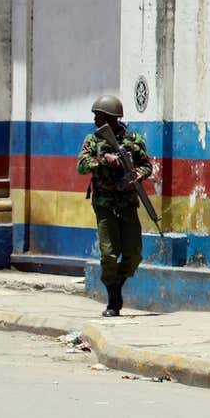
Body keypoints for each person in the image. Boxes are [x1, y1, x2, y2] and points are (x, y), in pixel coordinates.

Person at [76, 94, 154, 317]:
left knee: (134, 254)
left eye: (98, 115)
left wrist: (136, 175)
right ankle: (113, 299)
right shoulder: (92, 141)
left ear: (109, 118)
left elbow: (147, 166)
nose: (94, 119)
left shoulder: (134, 139)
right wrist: (104, 159)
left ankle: (117, 282)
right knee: (109, 254)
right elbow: (81, 166)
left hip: (128, 203)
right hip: (104, 203)